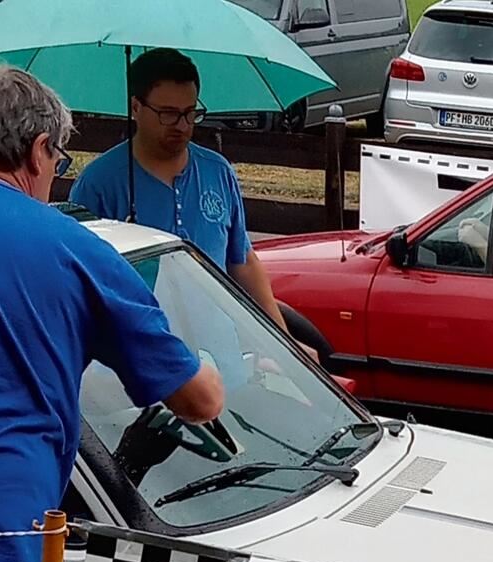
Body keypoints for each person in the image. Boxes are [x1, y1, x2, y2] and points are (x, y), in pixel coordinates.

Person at [0, 65, 226, 562]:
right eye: (58, 160)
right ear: (38, 149)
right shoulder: (73, 247)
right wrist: (212, 362)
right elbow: (198, 402)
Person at [70, 48, 321, 362]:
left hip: (222, 356)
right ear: (136, 107)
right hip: (140, 364)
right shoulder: (99, 184)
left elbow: (242, 261)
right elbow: (78, 285)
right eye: (168, 113)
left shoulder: (217, 172)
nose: (182, 125)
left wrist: (283, 342)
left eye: (190, 113)